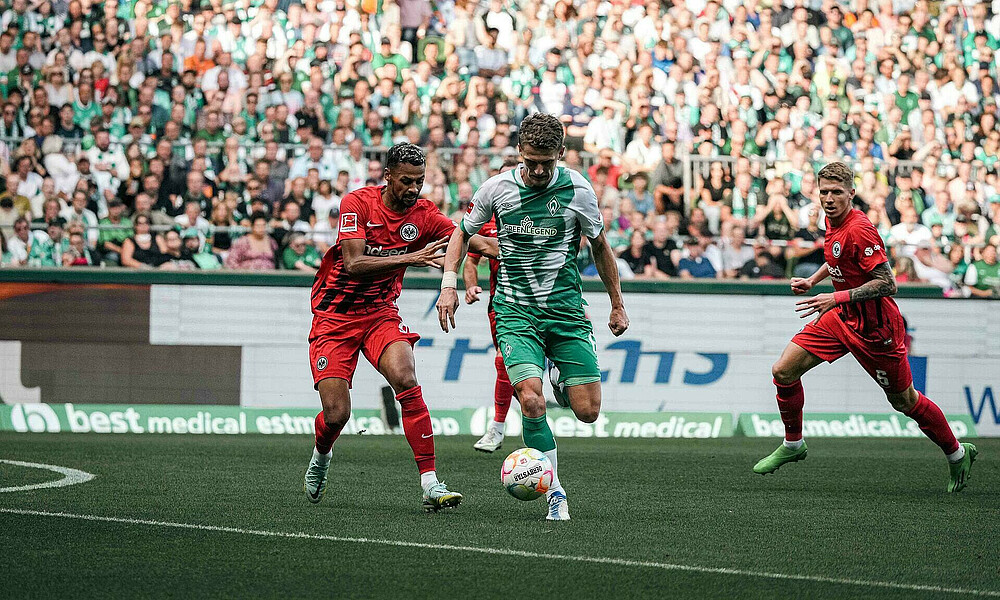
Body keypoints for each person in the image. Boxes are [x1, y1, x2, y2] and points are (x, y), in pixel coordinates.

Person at [436, 114, 629, 520]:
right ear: (519, 153)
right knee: (530, 398)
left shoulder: (578, 189)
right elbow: (462, 232)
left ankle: (560, 376)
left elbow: (600, 246)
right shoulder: (496, 188)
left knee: (589, 411)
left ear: (561, 153)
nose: (539, 170)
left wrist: (617, 302)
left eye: (547, 162)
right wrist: (449, 284)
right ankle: (555, 492)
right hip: (514, 310)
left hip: (565, 310)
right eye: (530, 161)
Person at [753, 162, 977, 492]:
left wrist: (836, 297)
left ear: (852, 194)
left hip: (876, 330)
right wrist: (814, 280)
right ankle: (793, 444)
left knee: (904, 402)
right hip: (842, 318)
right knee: (783, 370)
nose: (829, 198)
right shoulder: (830, 220)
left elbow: (887, 283)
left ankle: (958, 453)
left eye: (837, 193)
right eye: (824, 192)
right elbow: (839, 258)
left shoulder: (860, 228)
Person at [302, 143, 497, 512]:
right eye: (406, 181)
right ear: (388, 176)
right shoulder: (357, 204)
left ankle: (430, 483)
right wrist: (414, 256)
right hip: (334, 317)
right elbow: (353, 262)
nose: (413, 188)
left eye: (419, 181)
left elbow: (466, 238)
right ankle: (321, 458)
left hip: (379, 312)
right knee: (337, 414)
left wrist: (515, 249)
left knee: (406, 377)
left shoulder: (424, 214)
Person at [463, 198, 515, 453]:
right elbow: (470, 261)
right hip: (502, 304)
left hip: (542, 302)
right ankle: (499, 427)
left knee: (510, 365)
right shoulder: (487, 223)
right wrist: (470, 284)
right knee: (505, 361)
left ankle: (498, 426)